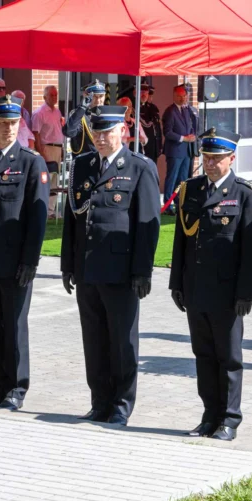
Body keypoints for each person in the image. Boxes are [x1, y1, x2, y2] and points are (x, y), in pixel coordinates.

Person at [60, 105, 161, 426]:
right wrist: (67, 264)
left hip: (120, 272)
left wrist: (142, 270)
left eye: (108, 132)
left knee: (122, 341)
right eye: (97, 132)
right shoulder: (83, 165)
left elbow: (148, 224)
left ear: (123, 132)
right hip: (87, 269)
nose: (101, 138)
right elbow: (71, 221)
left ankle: (120, 405)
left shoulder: (139, 168)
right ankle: (99, 401)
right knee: (94, 340)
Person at [169, 128, 252, 442]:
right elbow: (181, 241)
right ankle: (210, 415)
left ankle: (230, 418)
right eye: (207, 157)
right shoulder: (190, 189)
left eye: (217, 158)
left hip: (227, 292)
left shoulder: (247, 193)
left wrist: (245, 293)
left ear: (232, 158)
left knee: (229, 357)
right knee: (203, 355)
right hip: (196, 289)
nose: (210, 163)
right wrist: (177, 283)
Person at [0, 95, 49, 410]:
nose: (7, 129)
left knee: (15, 325)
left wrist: (30, 260)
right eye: (1, 123)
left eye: (12, 124)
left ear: (20, 125)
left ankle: (16, 388)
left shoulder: (31, 162)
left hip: (15, 261)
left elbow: (37, 216)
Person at [162, 84, 197, 215]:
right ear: (174, 96)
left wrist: (192, 136)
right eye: (179, 96)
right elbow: (167, 132)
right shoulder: (170, 111)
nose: (182, 99)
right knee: (172, 178)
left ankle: (180, 203)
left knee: (183, 179)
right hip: (175, 151)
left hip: (186, 151)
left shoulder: (187, 110)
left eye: (184, 96)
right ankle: (167, 205)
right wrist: (183, 138)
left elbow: (190, 127)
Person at [32, 84, 65, 217]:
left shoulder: (57, 112)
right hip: (46, 148)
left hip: (57, 148)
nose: (54, 97)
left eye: (56, 94)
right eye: (51, 95)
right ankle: (43, 210)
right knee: (46, 180)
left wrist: (61, 150)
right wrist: (41, 153)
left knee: (55, 181)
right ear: (44, 96)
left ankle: (51, 211)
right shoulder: (39, 113)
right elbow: (36, 134)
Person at [63, 79, 106, 157]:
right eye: (95, 96)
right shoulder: (80, 115)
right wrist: (82, 108)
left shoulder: (107, 115)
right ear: (86, 95)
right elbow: (69, 132)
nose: (98, 100)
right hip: (84, 162)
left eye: (101, 96)